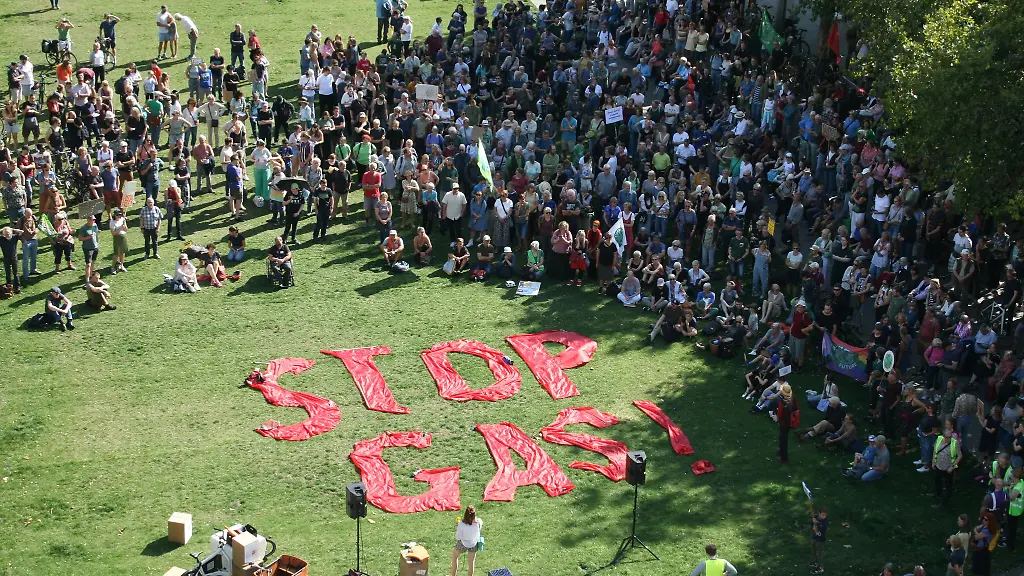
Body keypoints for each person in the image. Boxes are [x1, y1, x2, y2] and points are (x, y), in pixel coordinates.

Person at [932, 427, 961, 507]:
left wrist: (952, 466)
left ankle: (945, 502)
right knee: (937, 481)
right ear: (943, 436)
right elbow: (935, 450)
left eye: (950, 436)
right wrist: (933, 462)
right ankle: (938, 493)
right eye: (948, 437)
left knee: (948, 486)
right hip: (938, 466)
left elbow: (959, 456)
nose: (949, 438)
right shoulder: (939, 439)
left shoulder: (955, 443)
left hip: (948, 469)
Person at [451, 505, 482, 576]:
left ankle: (452, 575)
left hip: (463, 543)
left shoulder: (461, 524)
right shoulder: (479, 522)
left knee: (455, 556)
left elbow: (457, 537)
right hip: (474, 544)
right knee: (471, 563)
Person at [77, 213, 100, 281]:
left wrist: (97, 243)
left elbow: (96, 234)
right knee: (88, 265)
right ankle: (87, 280)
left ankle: (90, 277)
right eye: (92, 220)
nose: (93, 221)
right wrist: (88, 237)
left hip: (95, 247)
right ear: (88, 220)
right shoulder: (83, 228)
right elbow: (80, 238)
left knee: (93, 262)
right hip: (87, 248)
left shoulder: (95, 225)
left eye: (94, 220)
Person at [777, 383, 797, 462]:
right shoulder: (793, 399)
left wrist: (778, 421)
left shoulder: (783, 402)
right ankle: (782, 452)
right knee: (784, 437)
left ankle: (783, 457)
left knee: (782, 439)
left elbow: (780, 414)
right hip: (791, 421)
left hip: (784, 422)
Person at [0, 226, 22, 294]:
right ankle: (9, 286)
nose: (7, 235)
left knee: (16, 273)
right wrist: (3, 230)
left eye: (8, 233)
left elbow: (21, 232)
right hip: (6, 258)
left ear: (11, 233)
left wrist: (12, 229)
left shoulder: (14, 237)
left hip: (14, 258)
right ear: (3, 234)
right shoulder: (1, 239)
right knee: (7, 273)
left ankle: (17, 286)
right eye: (6, 234)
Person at [810, 506, 828, 574]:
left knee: (819, 553)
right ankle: (815, 562)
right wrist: (813, 524)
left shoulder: (825, 521)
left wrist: (817, 523)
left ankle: (820, 567)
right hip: (814, 537)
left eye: (825, 515)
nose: (824, 516)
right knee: (813, 550)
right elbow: (811, 524)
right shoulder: (815, 517)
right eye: (823, 515)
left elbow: (823, 528)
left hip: (820, 539)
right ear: (819, 513)